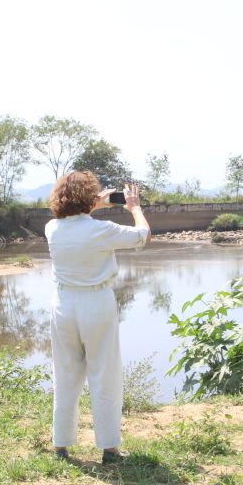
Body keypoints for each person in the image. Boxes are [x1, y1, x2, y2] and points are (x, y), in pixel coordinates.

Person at [44, 173, 151, 464]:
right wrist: (134, 208)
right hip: (96, 302)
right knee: (104, 374)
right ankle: (109, 447)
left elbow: (76, 220)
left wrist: (94, 204)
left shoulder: (52, 228)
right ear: (88, 198)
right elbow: (143, 237)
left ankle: (61, 443)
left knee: (65, 373)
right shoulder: (101, 230)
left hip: (63, 303)